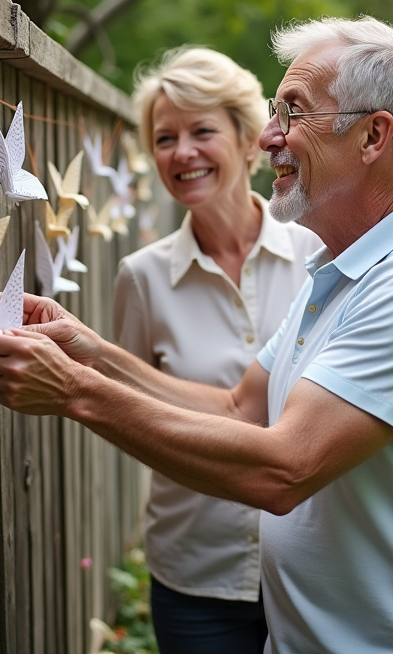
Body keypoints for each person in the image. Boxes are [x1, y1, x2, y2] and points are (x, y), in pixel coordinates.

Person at [0, 16, 393, 653]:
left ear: (373, 135)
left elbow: (283, 469)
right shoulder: (336, 274)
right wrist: (89, 352)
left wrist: (74, 393)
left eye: (293, 111)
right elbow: (238, 407)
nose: (268, 135)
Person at [118, 47, 321, 654]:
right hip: (195, 577)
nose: (181, 153)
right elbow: (130, 413)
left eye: (201, 131)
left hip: (314, 571)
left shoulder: (321, 255)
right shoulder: (140, 278)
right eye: (164, 138)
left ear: (245, 138)